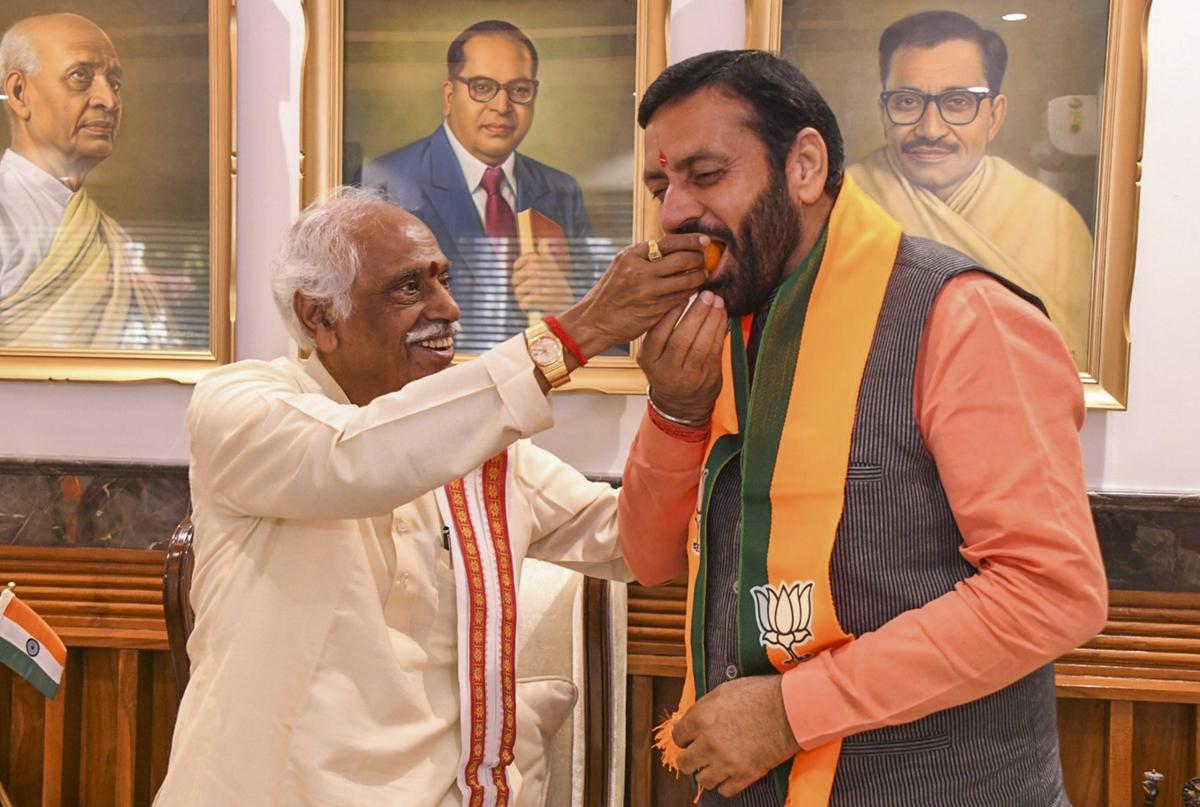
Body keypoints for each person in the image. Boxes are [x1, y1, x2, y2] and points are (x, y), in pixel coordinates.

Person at [627, 50, 1108, 806]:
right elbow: (649, 558)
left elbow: (1052, 592)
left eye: (707, 174)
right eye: (662, 185)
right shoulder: (726, 321)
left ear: (806, 165)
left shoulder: (960, 316)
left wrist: (790, 711)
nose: (674, 213)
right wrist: (675, 411)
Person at [153, 187, 726, 806]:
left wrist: (678, 411)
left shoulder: (474, 443)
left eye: (443, 280)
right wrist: (577, 333)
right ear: (320, 316)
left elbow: (638, 546)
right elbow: (358, 457)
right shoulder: (240, 408)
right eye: (408, 288)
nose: (448, 308)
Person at [847, 10, 1094, 364]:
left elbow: (1069, 364)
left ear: (994, 116)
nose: (931, 129)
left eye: (958, 102)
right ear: (884, 112)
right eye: (907, 101)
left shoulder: (1054, 223)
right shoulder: (842, 204)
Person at [360, 20, 593, 353]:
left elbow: (604, 318)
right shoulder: (383, 183)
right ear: (449, 96)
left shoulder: (561, 191)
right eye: (482, 87)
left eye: (519, 90)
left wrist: (567, 304)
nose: (502, 106)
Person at [0, 12, 167, 348]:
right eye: (80, 76)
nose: (109, 100)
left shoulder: (111, 236)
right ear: (19, 93)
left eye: (115, 83)